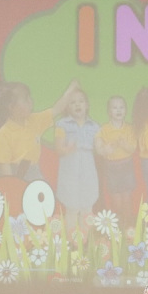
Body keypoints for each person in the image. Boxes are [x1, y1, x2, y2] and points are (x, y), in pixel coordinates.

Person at [0, 80, 78, 179]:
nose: (31, 101)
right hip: (17, 176)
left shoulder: (34, 120)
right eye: (26, 99)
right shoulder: (4, 133)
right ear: (11, 107)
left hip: (35, 173)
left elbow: (56, 109)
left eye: (30, 97)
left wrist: (71, 89)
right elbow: (4, 166)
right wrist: (13, 185)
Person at [54, 89, 102, 235]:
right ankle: (71, 240)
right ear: (67, 107)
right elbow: (59, 149)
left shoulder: (94, 126)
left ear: (87, 105)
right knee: (72, 208)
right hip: (70, 171)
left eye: (81, 101)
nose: (77, 104)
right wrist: (67, 149)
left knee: (87, 207)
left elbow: (99, 148)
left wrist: (107, 149)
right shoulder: (62, 125)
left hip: (88, 171)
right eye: (72, 102)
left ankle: (87, 240)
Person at [94, 95, 137, 226]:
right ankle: (118, 225)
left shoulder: (130, 128)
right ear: (109, 111)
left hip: (126, 165)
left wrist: (124, 144)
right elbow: (99, 149)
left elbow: (132, 148)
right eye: (114, 107)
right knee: (116, 200)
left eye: (121, 107)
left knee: (127, 198)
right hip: (111, 167)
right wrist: (105, 149)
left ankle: (129, 226)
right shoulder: (103, 129)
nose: (118, 110)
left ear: (126, 110)